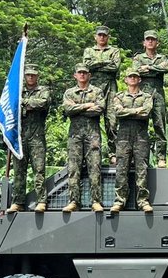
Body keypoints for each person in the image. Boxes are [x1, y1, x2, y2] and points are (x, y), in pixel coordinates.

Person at [61, 64, 106, 213]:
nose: (82, 75)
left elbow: (99, 109)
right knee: (74, 168)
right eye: (79, 73)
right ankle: (74, 201)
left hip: (92, 134)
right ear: (75, 75)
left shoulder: (97, 91)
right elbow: (67, 110)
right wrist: (87, 105)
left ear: (89, 75)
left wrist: (77, 108)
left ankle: (96, 201)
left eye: (85, 73)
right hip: (75, 135)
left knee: (95, 167)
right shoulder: (69, 93)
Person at [7, 64, 51, 213]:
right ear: (24, 76)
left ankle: (41, 200)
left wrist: (24, 102)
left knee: (38, 170)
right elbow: (10, 107)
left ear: (37, 76)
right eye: (28, 75)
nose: (31, 77)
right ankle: (18, 201)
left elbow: (42, 103)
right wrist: (24, 104)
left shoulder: (43, 90)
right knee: (19, 171)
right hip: (20, 136)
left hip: (36, 136)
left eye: (33, 75)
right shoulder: (17, 91)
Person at [110, 70, 154, 213]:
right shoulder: (119, 96)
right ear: (125, 80)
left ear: (139, 79)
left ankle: (143, 201)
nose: (133, 78)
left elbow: (146, 112)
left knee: (142, 169)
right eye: (130, 76)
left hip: (141, 136)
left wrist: (128, 111)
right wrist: (137, 111)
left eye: (135, 76)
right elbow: (118, 112)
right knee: (121, 169)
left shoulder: (146, 96)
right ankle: (119, 200)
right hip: (123, 137)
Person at [82, 25, 121, 165]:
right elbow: (87, 66)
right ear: (95, 36)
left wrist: (96, 64)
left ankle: (113, 153)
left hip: (110, 87)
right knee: (92, 120)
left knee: (112, 121)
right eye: (99, 35)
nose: (102, 37)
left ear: (108, 37)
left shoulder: (114, 50)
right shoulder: (89, 50)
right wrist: (104, 62)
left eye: (104, 35)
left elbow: (115, 67)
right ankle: (91, 153)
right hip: (93, 89)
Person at [132, 30, 168, 168]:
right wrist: (155, 70)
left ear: (157, 43)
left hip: (158, 93)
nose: (150, 41)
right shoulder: (138, 58)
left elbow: (165, 68)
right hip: (143, 94)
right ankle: (139, 156)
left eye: (153, 39)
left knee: (159, 125)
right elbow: (136, 71)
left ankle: (161, 157)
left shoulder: (162, 58)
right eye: (147, 39)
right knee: (140, 125)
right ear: (144, 42)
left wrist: (148, 67)